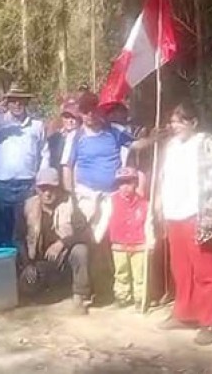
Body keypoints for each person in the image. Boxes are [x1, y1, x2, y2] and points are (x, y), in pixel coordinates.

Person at [63, 91, 148, 303]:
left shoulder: (114, 131)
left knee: (114, 242)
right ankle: (82, 291)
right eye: (84, 111)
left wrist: (156, 137)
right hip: (85, 197)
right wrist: (72, 199)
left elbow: (137, 145)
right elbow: (67, 167)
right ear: (80, 113)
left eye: (92, 110)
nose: (89, 115)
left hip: (113, 196)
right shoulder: (75, 136)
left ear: (99, 109)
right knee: (87, 243)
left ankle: (113, 289)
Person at [156, 102, 212, 346]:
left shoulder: (209, 143)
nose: (173, 126)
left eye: (179, 121)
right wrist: (159, 202)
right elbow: (164, 177)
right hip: (174, 213)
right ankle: (184, 313)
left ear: (193, 122)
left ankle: (210, 321)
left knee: (205, 269)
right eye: (172, 121)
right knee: (181, 267)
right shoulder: (171, 146)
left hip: (197, 214)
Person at [0, 82, 48, 250]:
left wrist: (41, 182)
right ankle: (2, 271)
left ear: (27, 102)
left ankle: (26, 271)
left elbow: (44, 154)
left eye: (21, 100)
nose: (17, 104)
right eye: (13, 100)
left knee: (28, 234)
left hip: (28, 186)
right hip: (0, 185)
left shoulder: (37, 126)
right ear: (7, 102)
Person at [22, 168, 91, 314]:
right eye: (43, 188)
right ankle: (47, 291)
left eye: (51, 188)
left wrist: (62, 243)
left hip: (64, 261)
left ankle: (79, 296)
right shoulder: (27, 206)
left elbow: (85, 233)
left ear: (58, 188)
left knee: (80, 250)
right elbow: (17, 238)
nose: (47, 193)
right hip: (39, 263)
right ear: (36, 189)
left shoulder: (70, 204)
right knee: (27, 286)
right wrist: (27, 264)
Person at [108, 167, 148, 309]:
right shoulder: (111, 200)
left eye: (128, 183)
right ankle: (122, 297)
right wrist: (97, 235)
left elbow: (149, 223)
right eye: (121, 183)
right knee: (121, 272)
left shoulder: (143, 203)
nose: (125, 187)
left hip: (139, 244)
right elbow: (104, 219)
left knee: (140, 273)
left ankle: (140, 298)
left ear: (135, 183)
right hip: (119, 244)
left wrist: (152, 240)